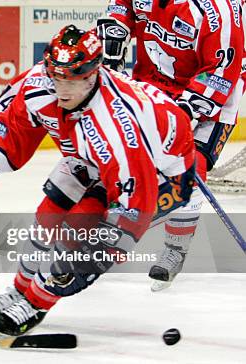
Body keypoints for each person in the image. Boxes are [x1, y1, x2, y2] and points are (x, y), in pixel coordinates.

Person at [0, 25, 197, 336]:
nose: (62, 89)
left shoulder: (117, 128)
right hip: (93, 158)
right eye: (57, 76)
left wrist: (100, 255)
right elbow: (10, 126)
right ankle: (21, 289)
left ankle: (36, 301)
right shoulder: (40, 83)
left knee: (76, 232)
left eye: (73, 79)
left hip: (163, 173)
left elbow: (134, 205)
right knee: (47, 214)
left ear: (93, 75)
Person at [97, 0, 245, 290]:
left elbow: (220, 69)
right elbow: (121, 7)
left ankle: (175, 249)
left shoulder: (219, 11)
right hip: (152, 89)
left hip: (212, 103)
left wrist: (184, 112)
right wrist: (116, 29)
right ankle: (109, 225)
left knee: (188, 176)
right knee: (122, 160)